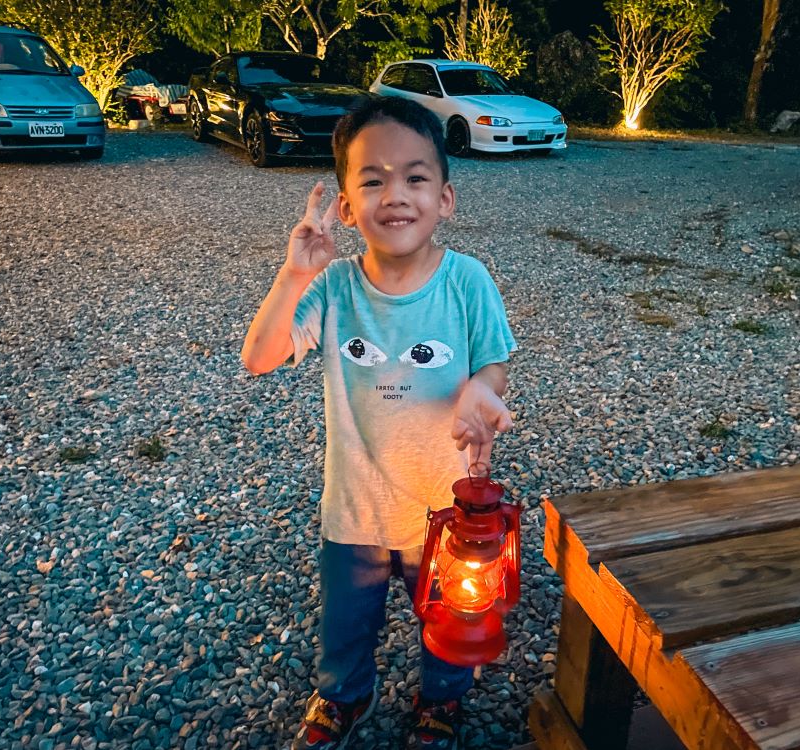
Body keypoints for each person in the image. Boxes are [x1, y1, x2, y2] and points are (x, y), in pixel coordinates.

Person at [241, 96, 516, 750]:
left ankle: (441, 701)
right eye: (372, 179)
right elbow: (258, 358)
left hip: (445, 513)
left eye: (415, 177)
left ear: (445, 199)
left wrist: (481, 391)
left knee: (454, 619)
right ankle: (345, 694)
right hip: (355, 510)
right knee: (345, 625)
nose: (396, 194)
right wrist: (293, 273)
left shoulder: (467, 282)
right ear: (345, 206)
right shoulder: (333, 288)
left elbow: (494, 364)